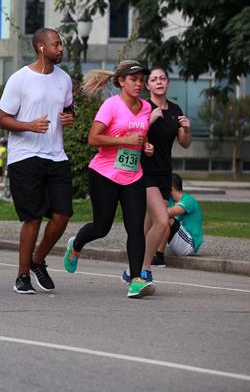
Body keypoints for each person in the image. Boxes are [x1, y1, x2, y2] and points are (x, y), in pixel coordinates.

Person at [63, 60, 156, 298]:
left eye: (141, 80)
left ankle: (135, 279)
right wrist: (125, 141)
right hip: (104, 174)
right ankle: (76, 244)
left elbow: (140, 137)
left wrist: (146, 147)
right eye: (133, 80)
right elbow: (94, 139)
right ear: (121, 81)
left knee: (135, 227)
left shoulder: (146, 107)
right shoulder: (111, 106)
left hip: (133, 175)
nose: (139, 84)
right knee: (101, 227)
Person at [0, 28, 75, 294]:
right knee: (32, 219)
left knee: (62, 216)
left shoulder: (64, 79)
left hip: (56, 155)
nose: (61, 48)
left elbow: (67, 109)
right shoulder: (20, 79)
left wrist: (69, 117)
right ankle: (22, 276)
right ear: (42, 47)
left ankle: (37, 260)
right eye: (56, 44)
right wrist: (29, 125)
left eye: (61, 44)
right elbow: (3, 118)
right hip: (25, 156)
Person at [141, 66, 192, 269]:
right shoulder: (143, 107)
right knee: (160, 219)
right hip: (143, 169)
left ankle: (137, 259)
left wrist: (187, 128)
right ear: (148, 85)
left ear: (168, 82)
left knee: (149, 219)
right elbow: (132, 131)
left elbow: (185, 143)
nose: (159, 82)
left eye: (162, 78)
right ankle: (143, 264)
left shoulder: (175, 110)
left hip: (164, 171)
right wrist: (149, 120)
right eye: (154, 79)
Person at [163, 173, 203, 257]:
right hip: (176, 242)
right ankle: (155, 254)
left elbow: (169, 212)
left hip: (190, 244)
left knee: (166, 220)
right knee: (159, 221)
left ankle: (159, 256)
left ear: (171, 188)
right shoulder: (170, 201)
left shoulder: (189, 200)